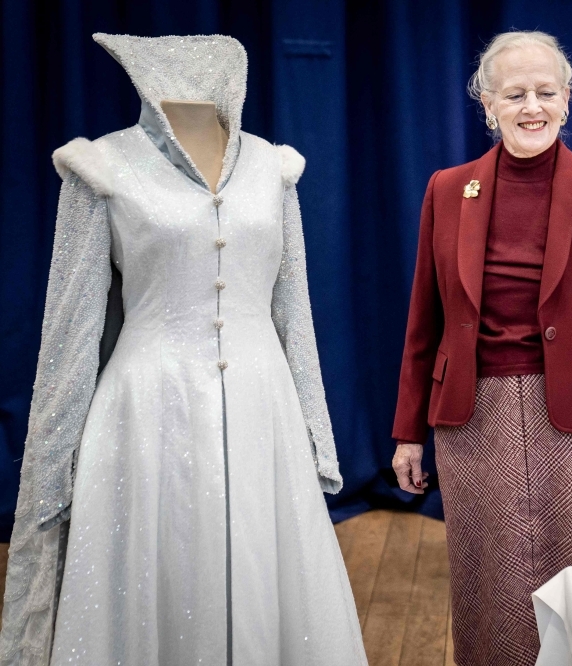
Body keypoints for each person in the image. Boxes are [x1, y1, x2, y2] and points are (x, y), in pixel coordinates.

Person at [0, 34, 366, 665]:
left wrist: (314, 428)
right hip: (146, 409)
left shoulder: (273, 169)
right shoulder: (103, 168)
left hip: (263, 405)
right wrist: (54, 459)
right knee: (157, 570)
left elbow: (293, 309)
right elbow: (71, 322)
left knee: (265, 571)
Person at [390, 30, 572, 666]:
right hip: (473, 416)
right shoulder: (447, 189)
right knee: (491, 584)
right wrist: (407, 434)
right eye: (515, 94)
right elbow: (423, 320)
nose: (532, 106)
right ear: (487, 104)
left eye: (545, 92)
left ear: (567, 99)